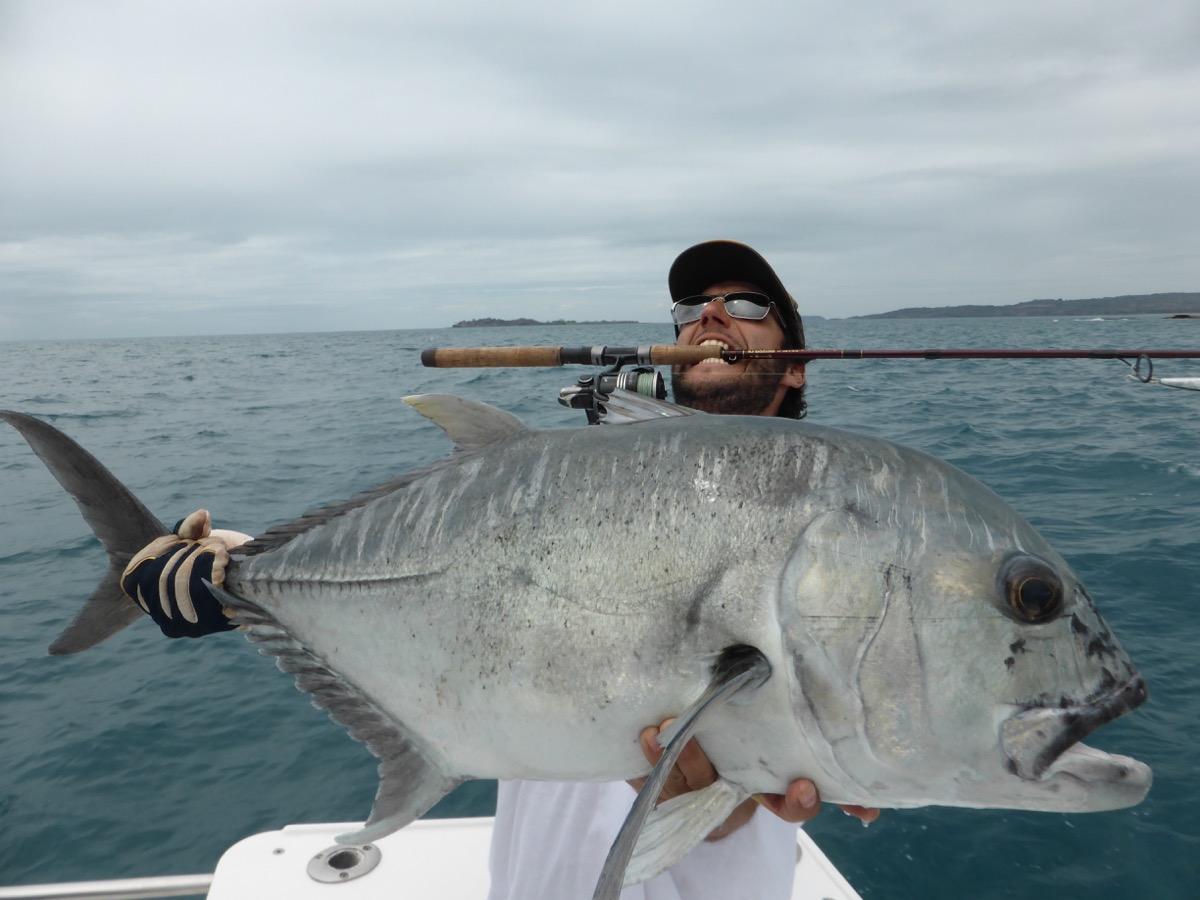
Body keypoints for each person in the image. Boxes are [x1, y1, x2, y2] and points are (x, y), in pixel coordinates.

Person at [119, 240, 877, 899]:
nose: (709, 315)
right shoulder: (573, 492)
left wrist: (736, 790)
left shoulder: (836, 533)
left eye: (745, 303)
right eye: (690, 307)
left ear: (797, 366)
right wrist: (234, 573)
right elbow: (437, 566)